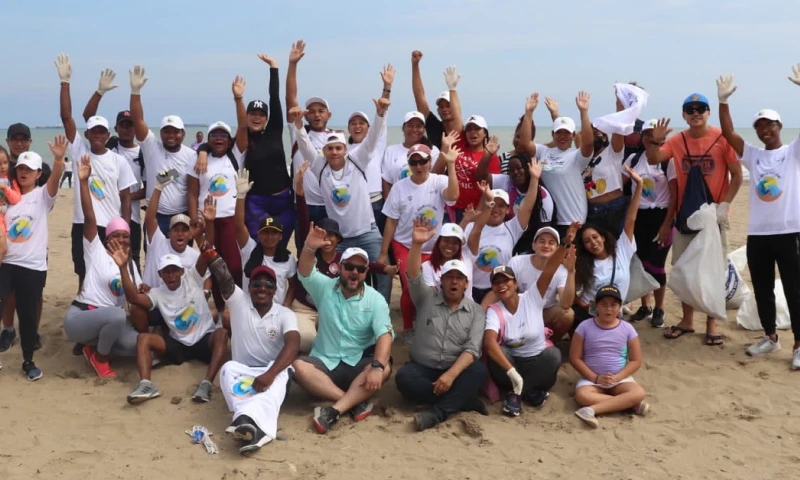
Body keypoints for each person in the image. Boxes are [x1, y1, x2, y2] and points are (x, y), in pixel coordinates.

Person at [717, 70, 800, 368]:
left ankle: (799, 346)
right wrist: (723, 102)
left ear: (780, 126)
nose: (765, 130)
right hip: (758, 235)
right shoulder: (753, 155)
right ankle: (770, 337)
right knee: (763, 287)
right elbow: (728, 134)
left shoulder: (793, 152)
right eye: (760, 126)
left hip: (790, 232)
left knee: (794, 289)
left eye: (770, 125)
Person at [647, 93, 744, 345]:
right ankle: (687, 321)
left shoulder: (722, 139)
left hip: (715, 217)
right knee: (684, 270)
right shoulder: (678, 140)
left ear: (709, 112)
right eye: (690, 109)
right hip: (686, 217)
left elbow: (737, 176)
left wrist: (725, 204)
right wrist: (654, 142)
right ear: (684, 115)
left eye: (701, 108)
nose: (696, 112)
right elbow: (655, 159)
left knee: (715, 270)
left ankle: (711, 323)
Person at [290, 86, 392, 304]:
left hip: (367, 232)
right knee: (340, 277)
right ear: (324, 152)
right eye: (330, 149)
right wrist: (299, 125)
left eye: (338, 148)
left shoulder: (358, 159)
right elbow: (305, 145)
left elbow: (373, 137)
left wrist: (380, 113)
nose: (334, 152)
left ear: (345, 149)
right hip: (340, 239)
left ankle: (380, 310)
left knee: (382, 272)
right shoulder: (320, 167)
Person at [292, 226, 393, 434]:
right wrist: (309, 247)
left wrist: (376, 366)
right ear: (340, 267)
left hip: (357, 363)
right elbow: (304, 271)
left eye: (361, 268)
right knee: (299, 366)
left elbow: (385, 335)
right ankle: (352, 402)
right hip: (326, 361)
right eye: (349, 266)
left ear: (366, 272)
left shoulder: (375, 299)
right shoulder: (325, 287)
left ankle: (334, 410)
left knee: (385, 368)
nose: (354, 272)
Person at [113, 224, 228, 404]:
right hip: (179, 344)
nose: (171, 275)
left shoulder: (193, 277)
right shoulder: (157, 293)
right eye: (166, 271)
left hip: (203, 339)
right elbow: (133, 297)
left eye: (174, 270)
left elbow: (207, 250)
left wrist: (209, 222)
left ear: (182, 271)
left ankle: (206, 383)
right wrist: (122, 267)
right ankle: (146, 384)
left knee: (221, 333)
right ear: (160, 274)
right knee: (144, 338)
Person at [203, 244, 301, 455]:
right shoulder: (239, 302)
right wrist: (209, 249)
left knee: (283, 374)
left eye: (268, 284)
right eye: (257, 283)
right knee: (227, 368)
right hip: (243, 372)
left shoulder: (285, 313)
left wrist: (270, 374)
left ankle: (248, 424)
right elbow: (224, 277)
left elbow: (293, 345)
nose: (262, 288)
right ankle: (254, 431)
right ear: (249, 287)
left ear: (275, 290)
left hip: (273, 371)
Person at [395, 217, 488, 431]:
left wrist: (450, 375)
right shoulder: (426, 297)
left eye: (459, 278)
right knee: (404, 378)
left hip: (453, 369)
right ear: (441, 280)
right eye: (449, 277)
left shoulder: (476, 311)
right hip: (423, 368)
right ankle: (461, 401)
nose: (454, 281)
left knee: (478, 371)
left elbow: (472, 349)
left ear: (466, 284)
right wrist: (417, 244)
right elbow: (414, 276)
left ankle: (437, 413)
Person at [292, 163, 395, 351]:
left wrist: (386, 268)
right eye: (323, 235)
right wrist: (300, 190)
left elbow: (367, 265)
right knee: (307, 340)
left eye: (332, 236)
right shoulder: (308, 254)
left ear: (338, 239)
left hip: (331, 308)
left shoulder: (343, 260)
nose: (327, 240)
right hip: (306, 307)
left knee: (342, 337)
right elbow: (302, 216)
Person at [56, 56, 136, 290]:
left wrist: (126, 227)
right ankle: (86, 307)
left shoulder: (118, 161)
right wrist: (64, 82)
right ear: (88, 134)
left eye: (102, 132)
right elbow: (66, 117)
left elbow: (125, 197)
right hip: (83, 223)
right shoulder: (80, 149)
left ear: (107, 134)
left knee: (114, 272)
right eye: (94, 132)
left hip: (111, 226)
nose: (98, 136)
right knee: (84, 272)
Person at [483, 225, 576, 417]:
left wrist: (566, 244)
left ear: (515, 283)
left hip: (536, 361)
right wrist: (511, 371)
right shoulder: (495, 310)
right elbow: (490, 341)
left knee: (553, 355)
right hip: (511, 364)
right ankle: (529, 391)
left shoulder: (532, 296)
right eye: (497, 283)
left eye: (506, 281)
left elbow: (550, 269)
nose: (502, 286)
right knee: (497, 354)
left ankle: (516, 394)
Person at [63, 155, 141, 378]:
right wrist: (84, 183)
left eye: (125, 236)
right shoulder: (95, 250)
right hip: (81, 317)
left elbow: (135, 295)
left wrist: (125, 267)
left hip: (107, 322)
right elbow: (89, 217)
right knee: (117, 315)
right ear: (107, 239)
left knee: (136, 345)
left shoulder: (132, 265)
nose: (122, 240)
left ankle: (92, 348)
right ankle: (101, 358)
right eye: (116, 235)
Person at [380, 140, 459, 341]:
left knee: (436, 286)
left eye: (422, 161)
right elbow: (391, 221)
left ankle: (433, 323)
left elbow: (453, 195)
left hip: (434, 246)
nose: (418, 166)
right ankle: (408, 327)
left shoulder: (439, 181)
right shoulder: (399, 187)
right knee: (410, 285)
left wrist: (450, 164)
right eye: (413, 162)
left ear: (429, 162)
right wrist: (383, 252)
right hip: (405, 244)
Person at [0, 138, 65, 380]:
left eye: (29, 169)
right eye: (21, 169)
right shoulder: (7, 195)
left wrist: (58, 159)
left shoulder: (42, 196)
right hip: (5, 264)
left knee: (28, 315)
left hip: (32, 266)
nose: (24, 172)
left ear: (38, 173)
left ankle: (28, 361)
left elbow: (56, 180)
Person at [188, 76, 248, 314]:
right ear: (209, 139)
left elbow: (243, 126)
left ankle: (238, 308)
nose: (219, 139)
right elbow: (193, 193)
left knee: (234, 266)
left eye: (223, 135)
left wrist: (238, 98)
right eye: (214, 136)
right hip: (205, 222)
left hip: (231, 220)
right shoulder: (198, 158)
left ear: (229, 139)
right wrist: (195, 219)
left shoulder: (236, 155)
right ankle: (222, 309)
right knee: (213, 266)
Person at [0, 123, 52, 353]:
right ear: (9, 141)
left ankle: (32, 331)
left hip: (34, 234)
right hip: (8, 236)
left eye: (24, 138)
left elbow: (47, 194)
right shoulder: (4, 169)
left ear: (30, 141)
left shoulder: (42, 167)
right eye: (14, 138)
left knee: (34, 292)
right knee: (8, 292)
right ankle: (9, 329)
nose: (19, 142)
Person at [129, 63, 197, 236]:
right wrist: (135, 92)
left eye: (175, 131)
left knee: (179, 261)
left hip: (182, 217)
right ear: (161, 133)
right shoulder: (152, 147)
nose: (171, 135)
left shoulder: (192, 155)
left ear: (183, 134)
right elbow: (138, 120)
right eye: (167, 131)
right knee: (153, 260)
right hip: (156, 216)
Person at [570, 285, 649, 428]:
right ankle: (629, 404)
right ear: (596, 306)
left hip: (619, 378)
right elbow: (575, 358)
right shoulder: (584, 326)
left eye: (614, 305)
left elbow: (636, 360)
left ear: (620, 307)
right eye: (604, 304)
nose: (608, 309)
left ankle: (592, 409)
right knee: (582, 396)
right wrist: (595, 378)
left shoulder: (627, 328)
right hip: (592, 379)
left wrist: (618, 377)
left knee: (638, 392)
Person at [622, 119, 676, 327]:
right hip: (639, 217)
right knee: (640, 263)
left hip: (661, 216)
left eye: (653, 135)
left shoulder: (667, 160)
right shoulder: (635, 159)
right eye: (646, 134)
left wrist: (666, 224)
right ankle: (646, 306)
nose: (648, 138)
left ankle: (660, 308)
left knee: (657, 265)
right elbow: (620, 184)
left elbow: (674, 194)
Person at [573, 167, 644, 325]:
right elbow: (571, 292)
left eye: (595, 237)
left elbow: (630, 219)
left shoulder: (621, 250)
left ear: (603, 237)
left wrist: (639, 185)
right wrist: (586, 306)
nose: (593, 243)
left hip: (613, 313)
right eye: (587, 241)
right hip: (589, 313)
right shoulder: (585, 263)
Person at [519, 92, 595, 239]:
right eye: (558, 132)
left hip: (572, 220)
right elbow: (524, 143)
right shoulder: (544, 151)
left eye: (567, 133)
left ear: (573, 136)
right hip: (549, 219)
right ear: (553, 134)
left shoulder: (576, 156)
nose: (562, 136)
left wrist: (584, 112)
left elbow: (589, 143)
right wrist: (528, 112)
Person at [237, 53, 294, 246]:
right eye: (253, 113)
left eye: (261, 114)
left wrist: (274, 67)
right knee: (258, 246)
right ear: (246, 116)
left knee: (280, 246)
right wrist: (202, 149)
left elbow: (275, 98)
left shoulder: (275, 130)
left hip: (282, 200)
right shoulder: (242, 138)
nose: (257, 117)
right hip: (256, 201)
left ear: (267, 119)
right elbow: (217, 146)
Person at [481, 226, 576, 341]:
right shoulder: (517, 262)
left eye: (551, 243)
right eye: (541, 241)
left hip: (544, 312)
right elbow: (500, 288)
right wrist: (481, 315)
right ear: (533, 245)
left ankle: (547, 343)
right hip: (518, 311)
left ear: (557, 249)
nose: (546, 246)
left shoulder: (561, 270)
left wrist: (571, 272)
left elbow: (566, 304)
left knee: (567, 314)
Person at [466, 162, 541, 304]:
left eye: (501, 206)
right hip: (471, 288)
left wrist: (534, 179)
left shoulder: (512, 228)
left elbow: (527, 207)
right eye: (493, 204)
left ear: (508, 210)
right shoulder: (472, 227)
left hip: (497, 289)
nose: (496, 209)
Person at [475, 134, 556, 254]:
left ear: (527, 169)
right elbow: (482, 177)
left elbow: (544, 230)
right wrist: (487, 154)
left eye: (519, 168)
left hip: (530, 240)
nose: (515, 173)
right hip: (506, 236)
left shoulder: (543, 196)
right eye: (511, 170)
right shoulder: (507, 181)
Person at [285, 40, 331, 231]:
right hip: (303, 204)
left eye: (321, 110)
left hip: (331, 205)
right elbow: (290, 100)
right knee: (304, 250)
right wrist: (293, 65)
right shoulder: (298, 132)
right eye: (311, 111)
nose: (316, 114)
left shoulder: (338, 139)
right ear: (305, 114)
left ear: (329, 115)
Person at [432, 109, 500, 223]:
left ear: (485, 133)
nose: (472, 132)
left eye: (477, 128)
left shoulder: (491, 157)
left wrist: (479, 212)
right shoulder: (459, 147)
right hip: (451, 209)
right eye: (469, 129)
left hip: (474, 211)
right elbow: (435, 175)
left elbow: (491, 188)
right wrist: (445, 147)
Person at [583, 96, 627, 236]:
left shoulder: (612, 152)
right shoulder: (580, 158)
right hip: (591, 210)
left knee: (616, 248)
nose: (594, 133)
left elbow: (618, 129)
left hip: (614, 208)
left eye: (598, 132)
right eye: (591, 133)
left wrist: (620, 109)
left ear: (605, 137)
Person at [410, 51, 463, 150]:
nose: (444, 109)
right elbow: (419, 97)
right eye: (441, 106)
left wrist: (452, 89)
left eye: (448, 105)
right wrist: (415, 65)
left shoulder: (460, 129)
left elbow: (458, 114)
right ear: (438, 110)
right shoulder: (434, 126)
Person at [380, 111, 441, 194]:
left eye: (419, 126)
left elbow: (436, 178)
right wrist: (389, 204)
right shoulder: (390, 150)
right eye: (410, 126)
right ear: (403, 128)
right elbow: (386, 182)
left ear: (424, 130)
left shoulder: (432, 150)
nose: (414, 129)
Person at [422, 223, 473, 300]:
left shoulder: (466, 259)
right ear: (439, 242)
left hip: (467, 307)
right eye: (446, 241)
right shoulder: (427, 266)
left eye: (455, 242)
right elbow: (433, 296)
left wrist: (466, 220)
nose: (449, 245)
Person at [0, 146, 21, 233]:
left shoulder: (11, 180)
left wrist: (5, 188)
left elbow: (16, 199)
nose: (3, 166)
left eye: (5, 162)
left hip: (10, 216)